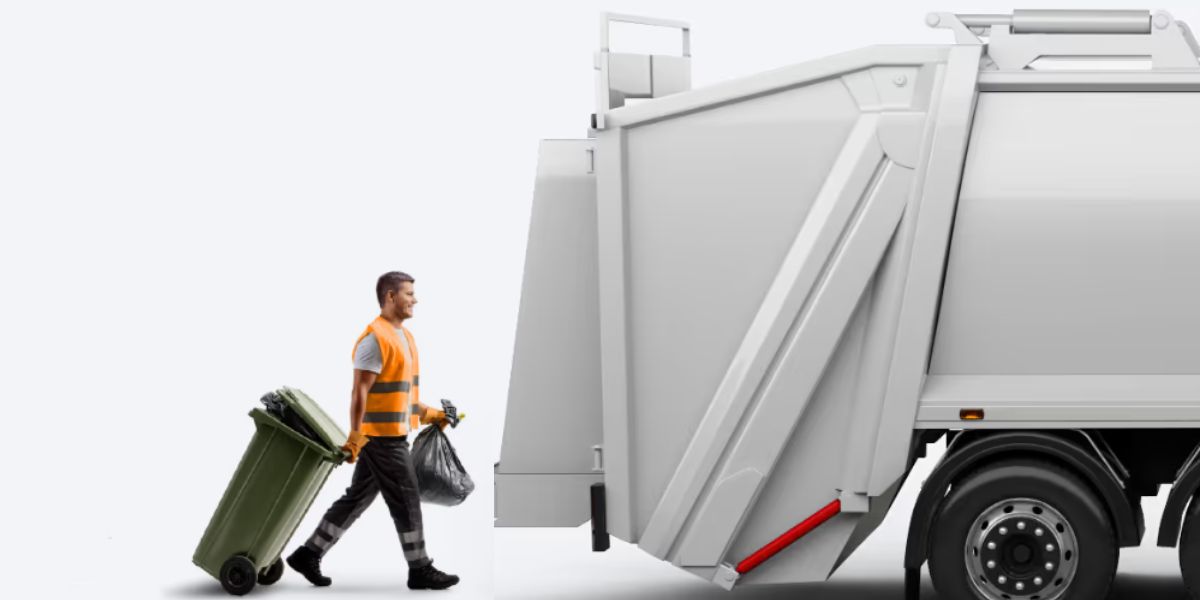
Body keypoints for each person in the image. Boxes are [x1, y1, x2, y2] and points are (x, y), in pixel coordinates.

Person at [286, 271, 460, 590]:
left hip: (390, 434)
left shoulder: (405, 338)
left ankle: (307, 553)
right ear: (390, 297)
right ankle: (420, 568)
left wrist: (433, 414)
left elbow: (403, 397)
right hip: (382, 440)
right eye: (408, 293)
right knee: (406, 499)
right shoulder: (374, 339)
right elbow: (359, 393)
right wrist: (355, 436)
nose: (415, 299)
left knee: (357, 498)